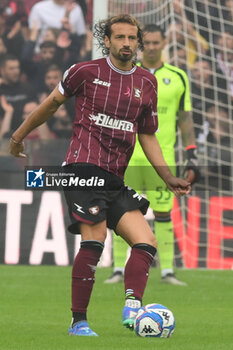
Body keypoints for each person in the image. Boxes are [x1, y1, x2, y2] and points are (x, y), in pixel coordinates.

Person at [10, 14, 191, 337]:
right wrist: (17, 136)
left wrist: (167, 177)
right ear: (106, 40)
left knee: (146, 241)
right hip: (82, 169)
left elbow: (147, 135)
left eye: (131, 38)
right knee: (95, 239)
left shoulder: (146, 83)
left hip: (114, 178)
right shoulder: (85, 72)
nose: (126, 44)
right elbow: (51, 104)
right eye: (119, 37)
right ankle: (78, 321)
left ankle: (133, 305)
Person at [105, 24, 199, 286]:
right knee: (122, 212)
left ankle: (167, 270)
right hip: (127, 156)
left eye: (158, 42)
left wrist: (192, 152)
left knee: (163, 214)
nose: (153, 47)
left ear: (164, 43)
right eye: (149, 42)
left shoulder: (178, 76)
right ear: (141, 44)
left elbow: (185, 118)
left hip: (163, 158)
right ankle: (118, 269)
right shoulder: (128, 74)